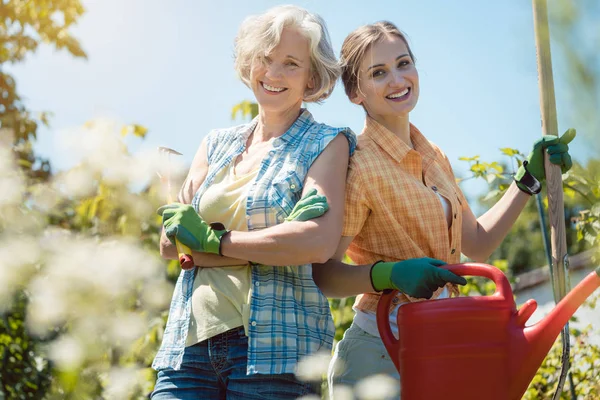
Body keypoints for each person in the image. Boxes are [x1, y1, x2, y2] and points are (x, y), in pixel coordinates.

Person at [311, 21, 576, 398]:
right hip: (377, 351)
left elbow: (478, 244)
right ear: (356, 92)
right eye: (379, 73)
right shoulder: (357, 164)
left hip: (439, 343)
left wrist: (527, 179)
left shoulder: (434, 156)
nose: (398, 79)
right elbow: (325, 276)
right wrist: (391, 274)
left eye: (404, 63)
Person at [150, 5, 356, 399]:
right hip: (189, 348)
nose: (273, 73)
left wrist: (213, 243)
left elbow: (316, 243)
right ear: (249, 62)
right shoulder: (215, 144)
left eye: (291, 63)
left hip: (277, 352)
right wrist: (276, 242)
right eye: (265, 58)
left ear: (312, 76)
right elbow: (170, 244)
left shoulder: (328, 143)